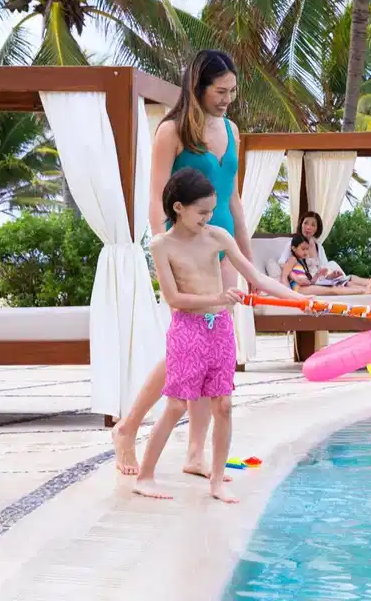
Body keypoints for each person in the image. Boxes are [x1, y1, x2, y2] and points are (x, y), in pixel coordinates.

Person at [111, 50, 306, 478]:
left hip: (222, 244)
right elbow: (156, 194)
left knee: (212, 348)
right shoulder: (172, 130)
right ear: (197, 86)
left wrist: (246, 252)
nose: (227, 99)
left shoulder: (233, 130)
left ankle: (195, 453)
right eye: (220, 91)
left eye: (232, 91)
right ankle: (127, 429)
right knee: (185, 348)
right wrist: (169, 246)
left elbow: (232, 197)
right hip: (186, 247)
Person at [133, 169, 281, 503]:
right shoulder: (162, 245)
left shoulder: (217, 237)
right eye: (201, 211)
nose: (208, 217)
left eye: (211, 210)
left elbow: (255, 275)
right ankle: (144, 476)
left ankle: (216, 482)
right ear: (178, 208)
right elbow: (173, 299)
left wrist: (301, 302)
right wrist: (218, 299)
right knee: (175, 407)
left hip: (220, 330)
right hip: (188, 330)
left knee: (224, 406)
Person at [297, 211, 371, 293]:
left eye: (313, 225)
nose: (308, 227)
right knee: (347, 283)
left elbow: (324, 269)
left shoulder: (318, 247)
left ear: (317, 229)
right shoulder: (293, 244)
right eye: (306, 223)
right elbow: (287, 264)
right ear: (301, 224)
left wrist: (332, 274)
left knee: (349, 278)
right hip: (312, 281)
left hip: (322, 279)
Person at [281, 234, 371, 296]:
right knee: (334, 290)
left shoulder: (302, 262)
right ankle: (366, 290)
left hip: (304, 286)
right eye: (303, 249)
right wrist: (295, 285)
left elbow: (309, 281)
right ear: (293, 248)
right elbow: (286, 276)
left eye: (307, 249)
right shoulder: (292, 259)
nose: (306, 252)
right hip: (299, 289)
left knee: (336, 287)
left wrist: (317, 275)